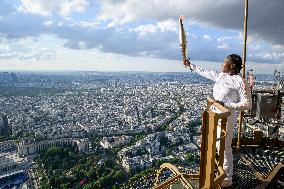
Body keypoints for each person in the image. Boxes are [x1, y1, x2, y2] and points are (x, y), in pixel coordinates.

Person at [184, 54, 252, 187]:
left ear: (231, 65)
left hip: (226, 117)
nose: (222, 65)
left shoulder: (240, 81)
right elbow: (206, 72)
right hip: (213, 115)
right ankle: (218, 172)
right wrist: (190, 65)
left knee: (224, 147)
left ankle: (227, 178)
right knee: (214, 145)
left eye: (224, 62)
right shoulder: (221, 76)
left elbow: (247, 104)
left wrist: (226, 105)